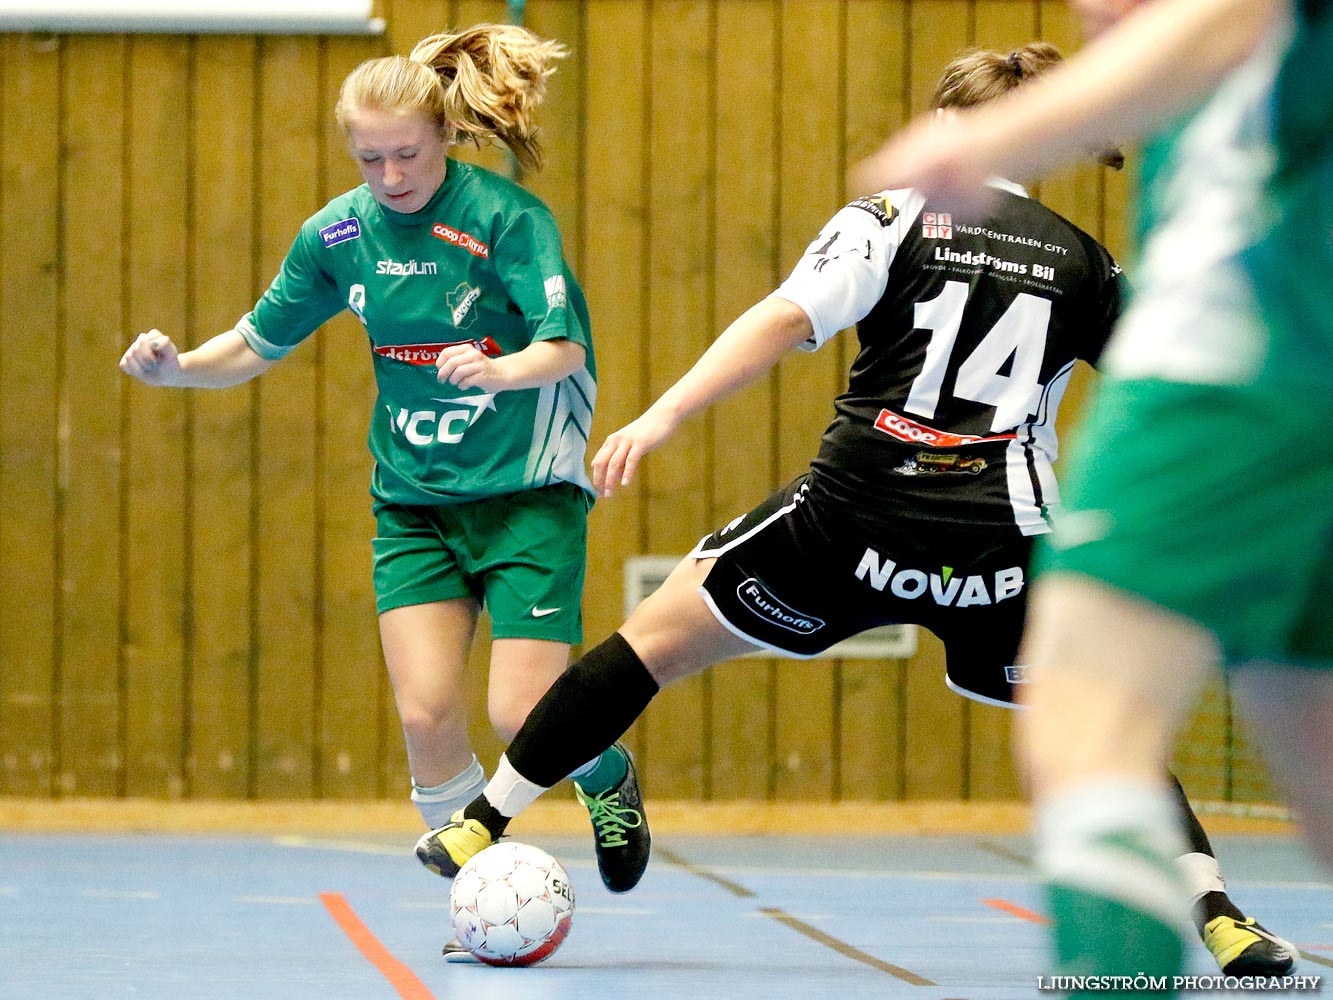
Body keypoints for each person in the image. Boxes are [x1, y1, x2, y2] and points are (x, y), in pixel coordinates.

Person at [413, 41, 1293, 976]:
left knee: (652, 644)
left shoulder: (897, 215)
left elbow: (785, 318)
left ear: (954, 126)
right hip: (1001, 543)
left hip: (856, 517)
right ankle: (1217, 912)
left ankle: (482, 819)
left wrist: (664, 412)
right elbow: (1165, 392)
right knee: (1106, 722)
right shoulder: (1085, 263)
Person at [118, 23, 649, 960]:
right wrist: (176, 371)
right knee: (425, 715)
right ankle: (481, 905)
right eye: (370, 158)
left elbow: (563, 349)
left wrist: (500, 370)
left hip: (525, 493)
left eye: (406, 153)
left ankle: (604, 772)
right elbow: (253, 343)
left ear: (443, 134)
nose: (390, 173)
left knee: (523, 716)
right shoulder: (337, 234)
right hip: (410, 500)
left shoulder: (505, 220)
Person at [850, 0, 1331, 986]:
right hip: (1269, 390)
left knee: (1086, 719)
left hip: (1240, 379)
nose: (1090, 10)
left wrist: (995, 133)